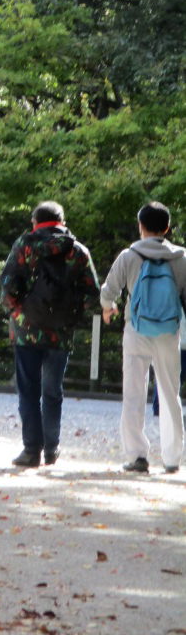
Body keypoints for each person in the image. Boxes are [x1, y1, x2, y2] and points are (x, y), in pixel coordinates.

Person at [0, 200, 99, 467]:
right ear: (62, 223)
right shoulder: (78, 251)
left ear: (35, 222)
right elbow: (92, 297)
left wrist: (19, 312)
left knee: (28, 392)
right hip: (61, 333)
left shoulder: (24, 246)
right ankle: (52, 449)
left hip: (26, 331)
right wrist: (71, 313)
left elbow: (7, 288)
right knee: (53, 391)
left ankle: (31, 450)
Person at [100, 201, 186, 474]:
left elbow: (108, 290)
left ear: (141, 227)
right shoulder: (181, 257)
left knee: (134, 392)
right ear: (167, 228)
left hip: (136, 329)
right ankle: (172, 458)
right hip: (168, 332)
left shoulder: (129, 255)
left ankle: (137, 456)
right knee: (170, 392)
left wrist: (108, 308)